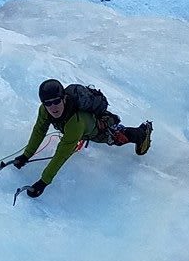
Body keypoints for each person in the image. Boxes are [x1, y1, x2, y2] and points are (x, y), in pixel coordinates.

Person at [12, 78, 152, 198]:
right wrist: (26, 155)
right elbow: (39, 131)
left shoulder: (75, 123)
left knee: (117, 138)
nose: (53, 107)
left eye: (56, 101)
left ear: (64, 99)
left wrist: (43, 182)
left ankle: (142, 132)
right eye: (48, 103)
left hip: (98, 127)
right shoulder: (44, 111)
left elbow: (62, 153)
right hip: (81, 128)